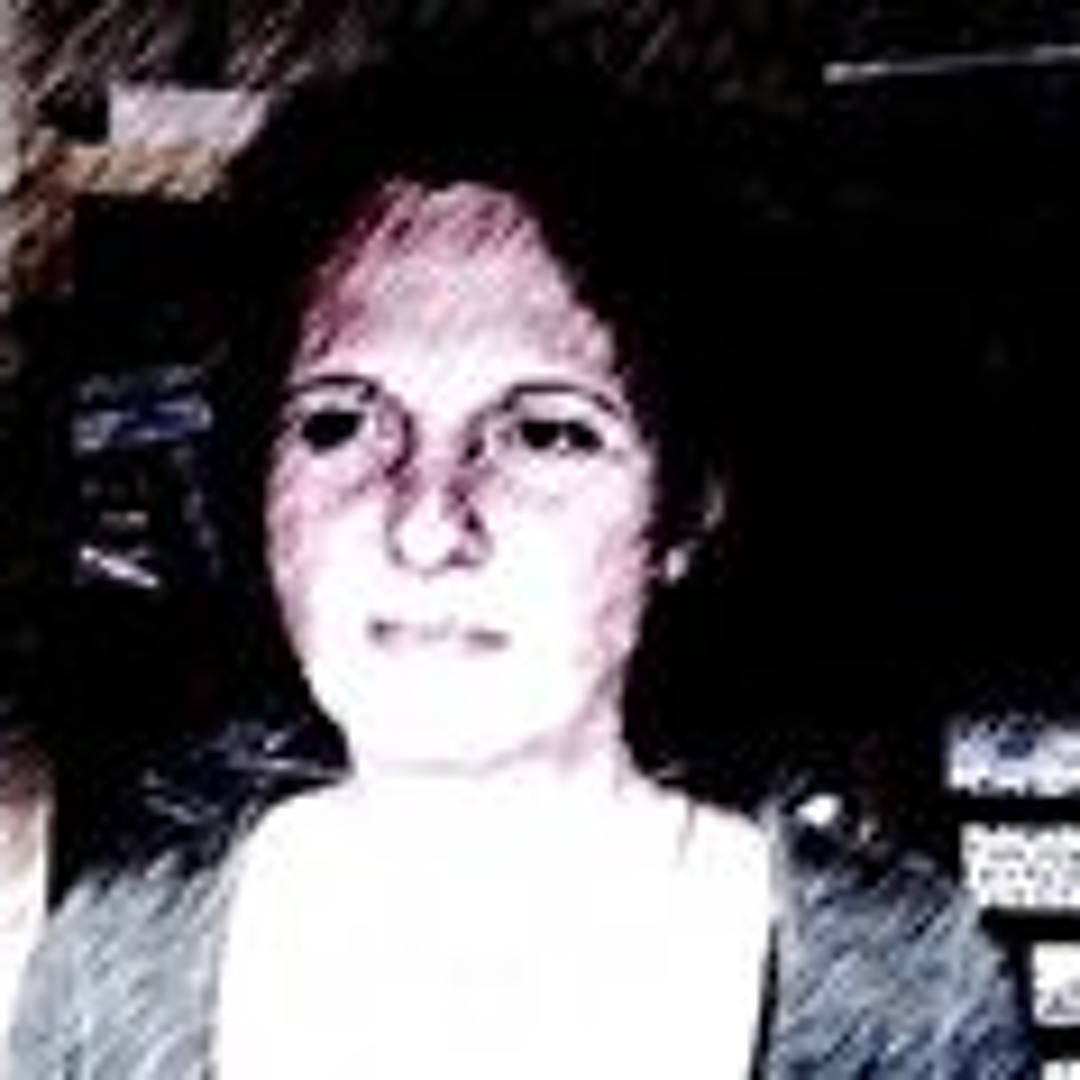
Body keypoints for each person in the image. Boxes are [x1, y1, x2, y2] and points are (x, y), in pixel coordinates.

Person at [11, 43, 1034, 1079]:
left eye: (544, 433)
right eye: (341, 422)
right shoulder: (110, 970)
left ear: (686, 508)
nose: (425, 525)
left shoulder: (905, 994)